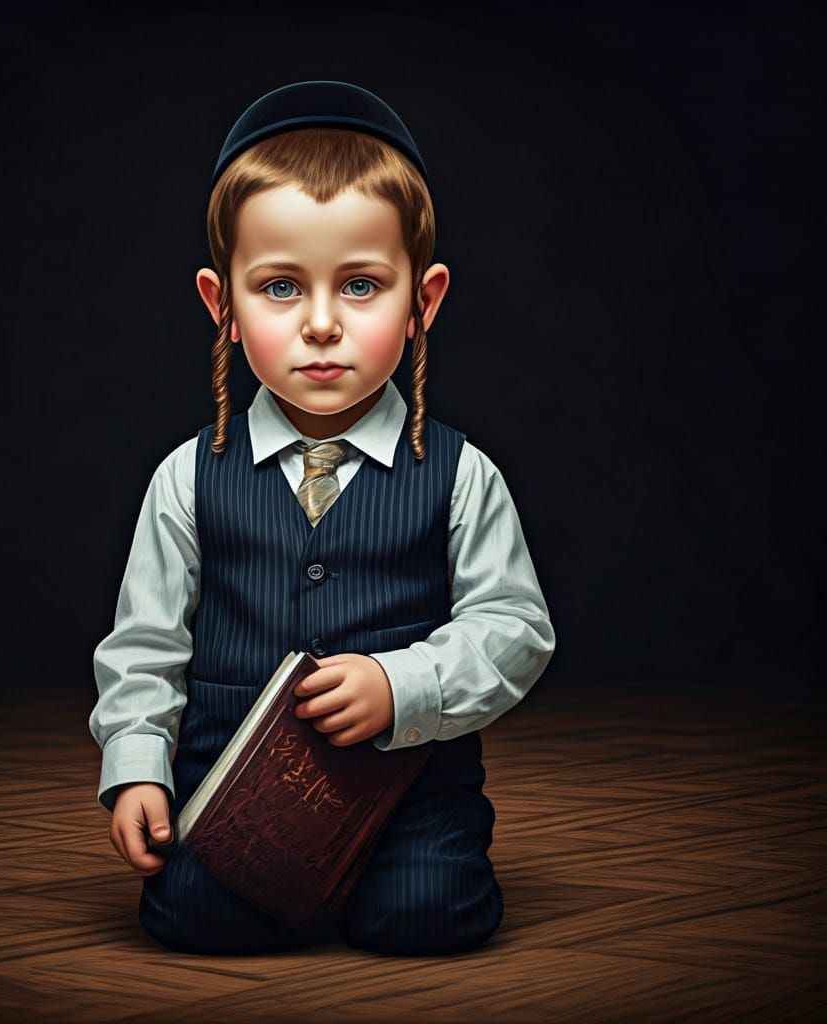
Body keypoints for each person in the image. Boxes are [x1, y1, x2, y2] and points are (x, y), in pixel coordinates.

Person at [89, 81, 556, 956]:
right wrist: (136, 771)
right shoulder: (187, 478)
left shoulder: (462, 476)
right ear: (219, 305)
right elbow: (143, 647)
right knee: (194, 919)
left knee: (428, 917)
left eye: (362, 285)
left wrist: (403, 686)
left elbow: (516, 627)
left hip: (407, 787)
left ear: (425, 300)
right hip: (236, 794)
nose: (320, 324)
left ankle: (391, 880)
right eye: (277, 287)